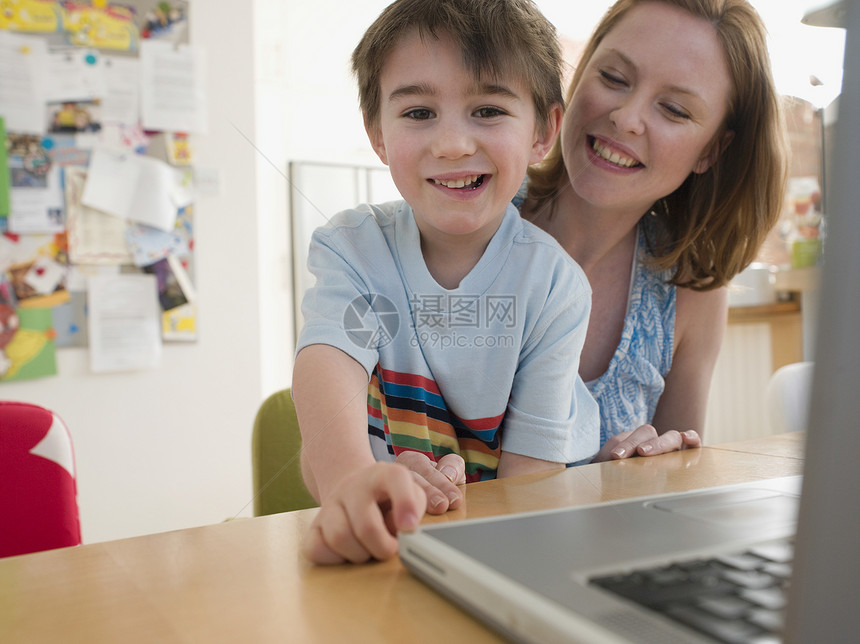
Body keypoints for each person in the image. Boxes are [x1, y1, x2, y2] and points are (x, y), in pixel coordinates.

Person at [292, 0, 599, 565]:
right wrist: (355, 482)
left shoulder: (555, 286)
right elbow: (326, 365)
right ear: (377, 133)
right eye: (417, 113)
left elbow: (529, 488)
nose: (453, 143)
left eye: (487, 110)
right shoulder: (353, 247)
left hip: (495, 556)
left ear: (543, 132)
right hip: (385, 549)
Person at [520, 0, 788, 461]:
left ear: (712, 151)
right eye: (613, 78)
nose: (627, 117)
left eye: (674, 109)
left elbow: (671, 497)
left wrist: (634, 474)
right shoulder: (466, 218)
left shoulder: (692, 288)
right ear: (582, 72)